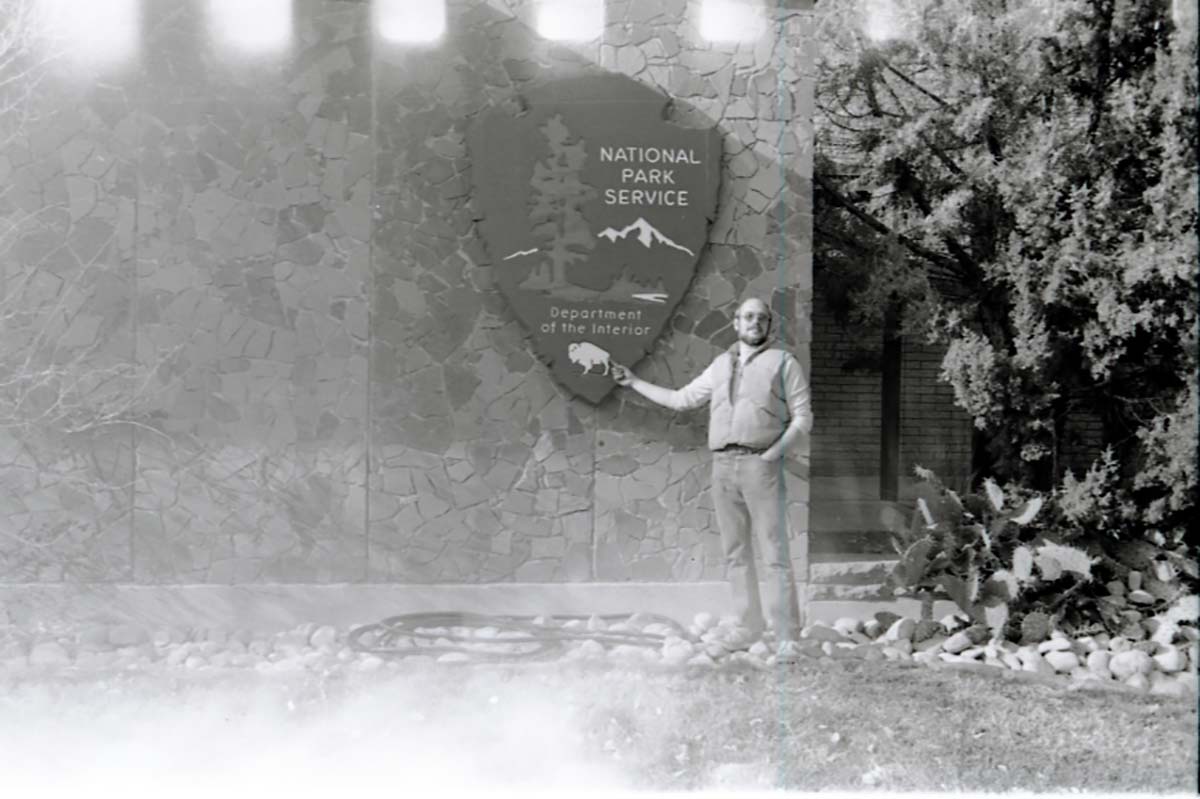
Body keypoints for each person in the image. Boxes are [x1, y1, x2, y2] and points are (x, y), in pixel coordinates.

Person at [611, 298, 812, 658]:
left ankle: (786, 633)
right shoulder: (720, 365)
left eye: (762, 319)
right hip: (722, 466)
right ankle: (746, 627)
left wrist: (772, 455)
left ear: (769, 326)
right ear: (735, 323)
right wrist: (634, 382)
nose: (755, 323)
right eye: (748, 317)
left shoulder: (784, 363)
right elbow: (682, 399)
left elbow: (802, 418)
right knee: (735, 552)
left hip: (760, 464)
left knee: (774, 552)